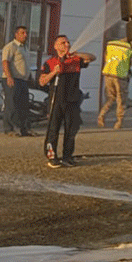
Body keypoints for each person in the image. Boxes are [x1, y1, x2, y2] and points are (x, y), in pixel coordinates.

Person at [38, 35, 95, 168]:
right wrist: (53, 72)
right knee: (53, 130)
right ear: (56, 46)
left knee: (71, 130)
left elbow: (92, 57)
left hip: (73, 100)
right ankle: (52, 157)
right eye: (63, 43)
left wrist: (76, 54)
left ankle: (67, 156)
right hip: (56, 100)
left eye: (68, 42)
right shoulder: (50, 62)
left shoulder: (76, 60)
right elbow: (42, 81)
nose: (66, 45)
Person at [1, 26, 33, 137]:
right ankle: (9, 128)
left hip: (23, 80)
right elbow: (5, 62)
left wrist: (30, 76)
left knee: (24, 105)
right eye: (22, 33)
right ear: (16, 34)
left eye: (26, 33)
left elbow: (24, 64)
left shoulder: (24, 48)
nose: (25, 35)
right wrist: (9, 76)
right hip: (12, 79)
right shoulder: (11, 46)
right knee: (11, 104)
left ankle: (24, 129)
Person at [96, 37, 132, 129]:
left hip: (108, 73)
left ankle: (101, 115)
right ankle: (119, 122)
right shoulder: (130, 47)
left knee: (110, 98)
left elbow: (106, 57)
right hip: (120, 76)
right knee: (121, 100)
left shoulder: (110, 44)